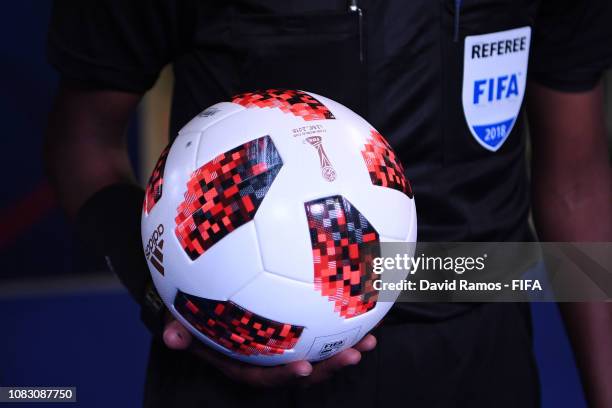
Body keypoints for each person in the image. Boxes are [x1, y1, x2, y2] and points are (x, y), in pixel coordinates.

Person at [45, 0, 612, 406]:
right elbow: (84, 145)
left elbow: (577, 180)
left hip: (483, 358)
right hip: (241, 360)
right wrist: (169, 302)